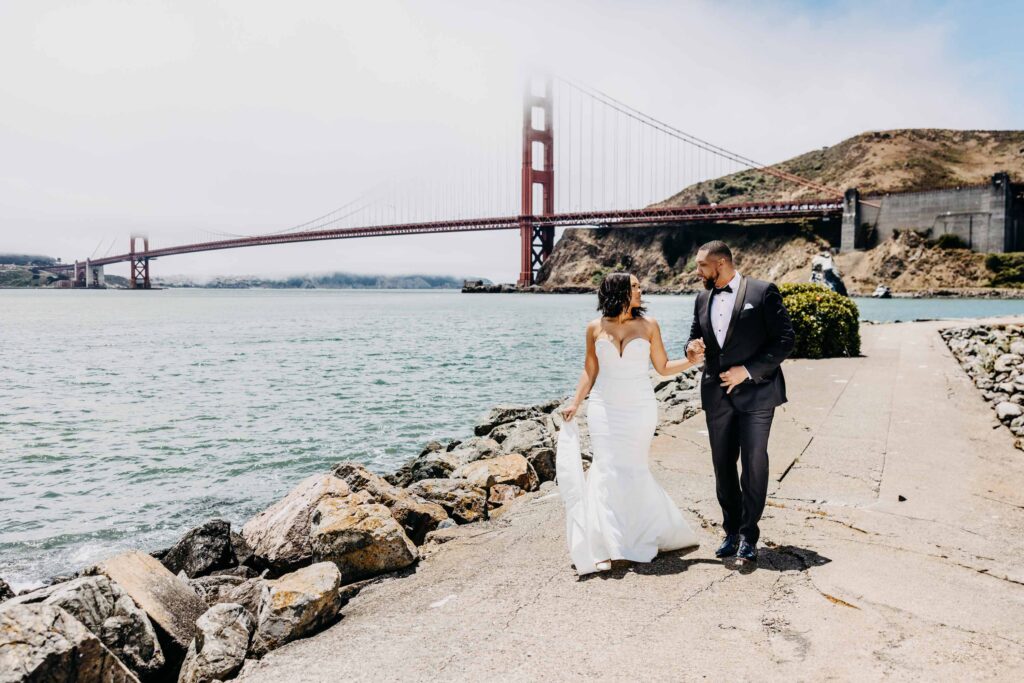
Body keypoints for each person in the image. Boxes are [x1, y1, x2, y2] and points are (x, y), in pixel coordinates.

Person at [557, 272, 702, 575]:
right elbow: (590, 370)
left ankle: (640, 535)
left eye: (639, 285)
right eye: (634, 286)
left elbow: (662, 368)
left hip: (639, 409)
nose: (640, 290)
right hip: (603, 408)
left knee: (634, 469)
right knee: (605, 468)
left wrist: (691, 360)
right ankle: (606, 543)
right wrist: (575, 402)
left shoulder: (649, 326)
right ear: (618, 292)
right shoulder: (594, 328)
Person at [685, 240, 795, 564]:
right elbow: (694, 337)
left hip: (758, 393)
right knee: (722, 465)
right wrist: (690, 350)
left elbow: (785, 340)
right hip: (716, 395)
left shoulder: (763, 292)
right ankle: (731, 530)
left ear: (720, 264)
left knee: (754, 463)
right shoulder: (702, 297)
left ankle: (749, 534)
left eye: (701, 265)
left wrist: (746, 371)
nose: (697, 272)